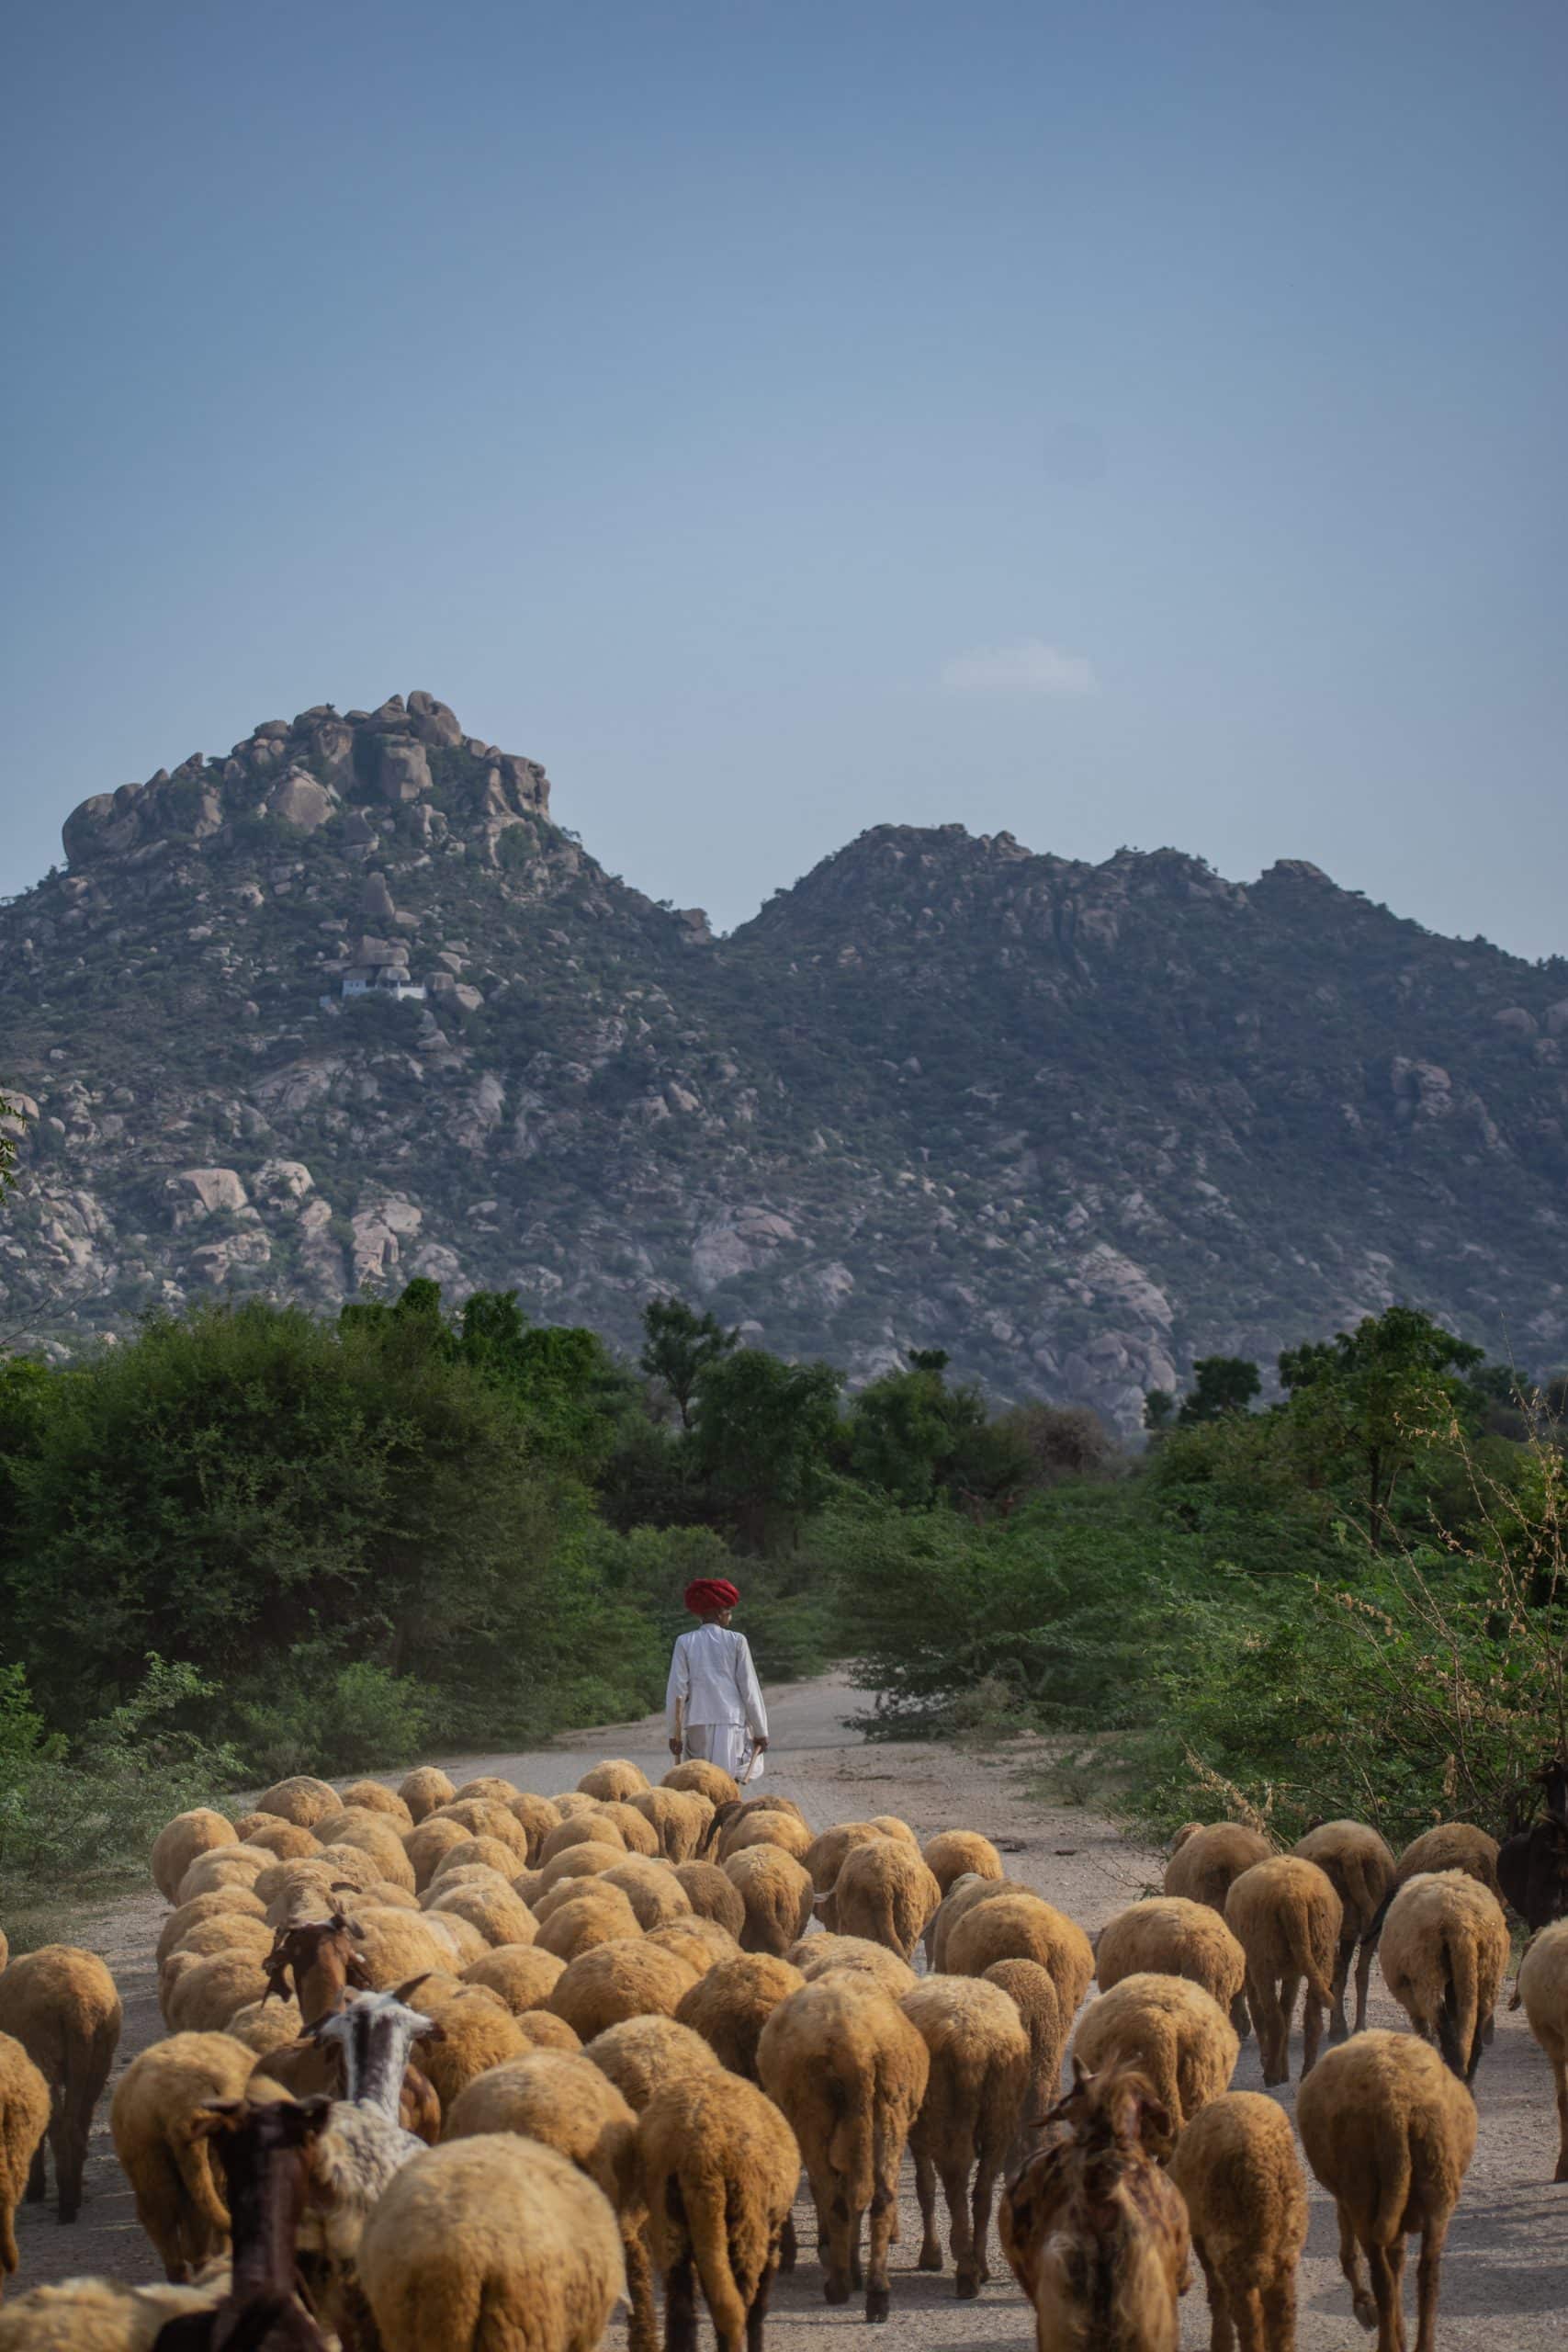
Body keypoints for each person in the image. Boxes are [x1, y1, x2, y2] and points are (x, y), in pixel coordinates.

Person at [666, 1577, 770, 1782]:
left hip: (697, 1722)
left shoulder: (684, 1641)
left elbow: (677, 1691)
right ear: (717, 1612)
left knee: (698, 1784)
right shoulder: (737, 1640)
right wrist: (761, 1730)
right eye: (728, 1611)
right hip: (730, 1722)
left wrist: (673, 1734)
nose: (730, 1616)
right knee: (726, 1783)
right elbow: (748, 1688)